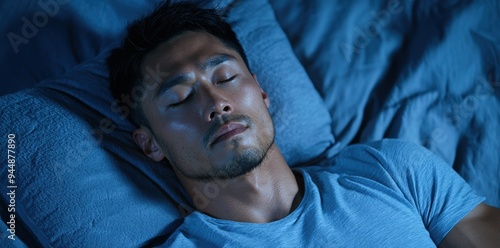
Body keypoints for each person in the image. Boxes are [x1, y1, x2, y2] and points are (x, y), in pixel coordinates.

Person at [107, 1, 500, 247]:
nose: (216, 103)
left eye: (225, 77)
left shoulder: (389, 170)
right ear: (150, 144)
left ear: (261, 94)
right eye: (180, 98)